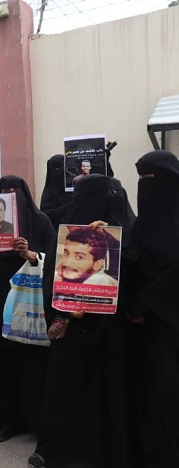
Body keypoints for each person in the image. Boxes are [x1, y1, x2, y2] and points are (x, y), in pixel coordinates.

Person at [34, 174, 134, 468]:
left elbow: (138, 284)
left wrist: (111, 242)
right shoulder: (63, 240)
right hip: (70, 336)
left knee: (108, 392)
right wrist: (65, 312)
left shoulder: (128, 237)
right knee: (66, 391)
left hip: (111, 336)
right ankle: (57, 449)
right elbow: (50, 286)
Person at [0, 176, 55, 448]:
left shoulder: (40, 222)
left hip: (30, 305)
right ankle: (4, 420)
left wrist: (31, 255)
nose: (10, 195)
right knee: (2, 363)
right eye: (4, 192)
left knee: (33, 363)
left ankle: (36, 420)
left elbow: (53, 260)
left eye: (15, 191)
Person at [130, 150, 179, 467]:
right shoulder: (139, 228)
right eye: (141, 179)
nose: (146, 186)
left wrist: (147, 302)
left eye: (152, 179)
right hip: (143, 330)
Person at [54, 227, 118, 286]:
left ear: (97, 264)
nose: (67, 263)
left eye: (79, 257)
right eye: (66, 253)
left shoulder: (106, 288)